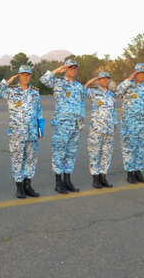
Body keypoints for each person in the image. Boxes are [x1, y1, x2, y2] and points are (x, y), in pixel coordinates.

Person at [0, 65, 43, 199]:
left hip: (32, 132)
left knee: (31, 159)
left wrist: (40, 130)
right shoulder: (11, 91)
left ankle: (28, 186)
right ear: (19, 76)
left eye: (28, 74)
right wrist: (8, 81)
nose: (26, 77)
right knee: (17, 160)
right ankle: (19, 187)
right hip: (17, 133)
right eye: (23, 74)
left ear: (31, 76)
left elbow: (39, 112)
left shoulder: (35, 92)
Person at [40, 59, 84, 194]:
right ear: (66, 69)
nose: (73, 70)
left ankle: (67, 181)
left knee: (71, 154)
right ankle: (58, 183)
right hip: (62, 125)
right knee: (59, 153)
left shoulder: (78, 86)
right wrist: (58, 70)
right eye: (70, 68)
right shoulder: (58, 82)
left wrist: (81, 121)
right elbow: (43, 79)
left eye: (75, 68)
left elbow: (81, 104)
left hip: (75, 125)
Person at [116, 63, 144, 184]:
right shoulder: (128, 84)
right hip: (130, 123)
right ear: (135, 73)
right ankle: (130, 172)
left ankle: (138, 171)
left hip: (143, 123)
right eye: (139, 73)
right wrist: (129, 79)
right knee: (129, 148)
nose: (142, 75)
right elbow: (118, 92)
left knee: (141, 148)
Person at [84, 71, 116, 189]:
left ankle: (103, 176)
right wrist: (92, 80)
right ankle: (95, 178)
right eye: (103, 79)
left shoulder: (111, 94)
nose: (106, 81)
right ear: (99, 80)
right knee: (95, 153)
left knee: (106, 153)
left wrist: (115, 126)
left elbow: (113, 112)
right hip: (96, 129)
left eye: (107, 79)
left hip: (109, 128)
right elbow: (82, 90)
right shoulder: (93, 92)